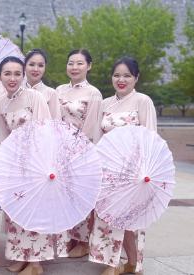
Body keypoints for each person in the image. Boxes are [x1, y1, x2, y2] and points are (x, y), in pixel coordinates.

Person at [0, 57, 61, 275]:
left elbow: (47, 130)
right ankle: (23, 255)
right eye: (7, 73)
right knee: (17, 213)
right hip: (15, 166)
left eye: (16, 73)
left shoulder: (35, 97)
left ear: (23, 75)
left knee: (34, 212)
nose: (12, 78)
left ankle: (36, 263)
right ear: (0, 76)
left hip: (36, 164)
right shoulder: (2, 103)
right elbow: (2, 137)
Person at [89, 57, 156, 275]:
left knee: (126, 218)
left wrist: (145, 169)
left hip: (132, 170)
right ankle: (129, 263)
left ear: (136, 78)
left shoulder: (143, 101)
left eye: (127, 75)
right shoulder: (105, 103)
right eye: (117, 75)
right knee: (109, 217)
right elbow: (99, 138)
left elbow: (150, 137)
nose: (121, 80)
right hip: (108, 169)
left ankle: (115, 264)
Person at [56, 49, 103, 258]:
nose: (74, 67)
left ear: (89, 66)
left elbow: (92, 126)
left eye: (79, 63)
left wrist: (75, 151)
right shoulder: (59, 90)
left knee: (82, 196)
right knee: (64, 197)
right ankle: (69, 238)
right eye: (70, 63)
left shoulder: (93, 93)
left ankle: (83, 241)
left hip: (81, 152)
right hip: (60, 151)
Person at [23, 49, 61, 119]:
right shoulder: (17, 92)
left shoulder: (51, 93)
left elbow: (56, 123)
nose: (36, 69)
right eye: (31, 64)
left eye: (40, 65)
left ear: (45, 68)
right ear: (24, 66)